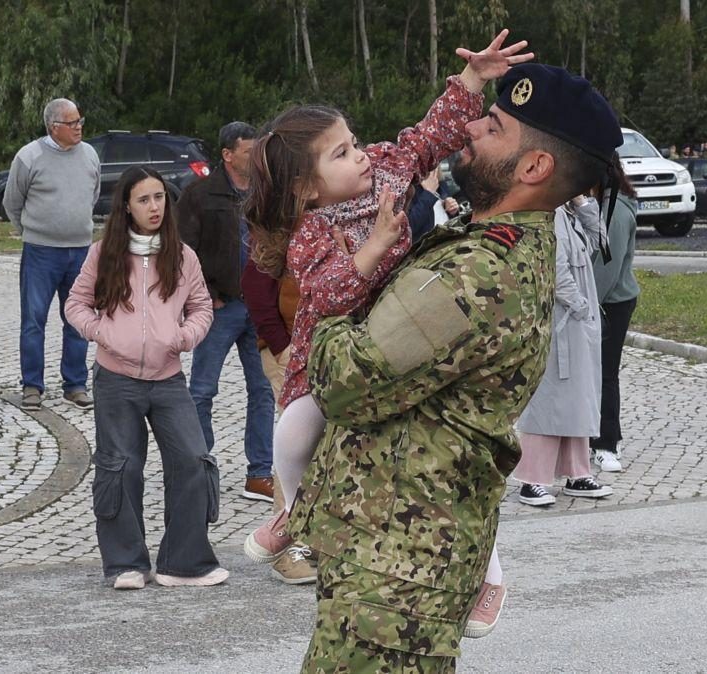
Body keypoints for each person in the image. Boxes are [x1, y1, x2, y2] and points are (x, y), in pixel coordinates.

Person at [286, 60, 623, 670]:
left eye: (491, 127)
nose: (470, 130)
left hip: (398, 570)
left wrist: (331, 299)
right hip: (393, 551)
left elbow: (342, 384)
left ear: (534, 167)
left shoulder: (477, 273)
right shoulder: (485, 242)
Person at [239, 29, 519, 589]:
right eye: (341, 154)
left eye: (355, 141)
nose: (361, 155)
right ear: (306, 191)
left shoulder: (387, 171)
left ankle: (490, 576)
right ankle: (298, 515)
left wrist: (472, 78)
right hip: (332, 363)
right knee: (292, 437)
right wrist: (370, 250)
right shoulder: (310, 230)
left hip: (399, 345)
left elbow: (428, 137)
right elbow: (325, 297)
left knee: (444, 454)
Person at [65, 166, 229, 588]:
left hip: (168, 377)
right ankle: (126, 564)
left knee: (194, 460)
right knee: (121, 467)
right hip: (115, 378)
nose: (154, 207)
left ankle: (184, 563)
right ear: (127, 206)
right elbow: (76, 304)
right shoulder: (104, 253)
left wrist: (184, 336)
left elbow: (202, 308)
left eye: (159, 197)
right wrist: (103, 333)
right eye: (144, 199)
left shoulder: (183, 255)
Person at [178, 121, 276, 503]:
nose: (255, 160)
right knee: (202, 390)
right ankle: (199, 468)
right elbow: (183, 250)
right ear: (228, 155)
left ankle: (260, 473)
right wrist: (204, 294)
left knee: (263, 390)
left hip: (259, 308)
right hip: (220, 309)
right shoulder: (200, 195)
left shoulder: (266, 193)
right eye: (249, 153)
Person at [514, 194, 613, 506]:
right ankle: (531, 479)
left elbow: (601, 243)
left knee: (579, 397)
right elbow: (555, 269)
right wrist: (580, 307)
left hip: (577, 323)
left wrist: (585, 206)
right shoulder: (551, 216)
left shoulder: (571, 213)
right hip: (560, 320)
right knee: (549, 399)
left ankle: (577, 472)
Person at [4, 98, 100, 410]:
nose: (79, 127)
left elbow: (93, 195)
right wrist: (31, 232)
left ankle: (75, 384)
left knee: (77, 320)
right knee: (34, 320)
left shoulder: (89, 155)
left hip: (81, 251)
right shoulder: (29, 157)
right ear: (53, 127)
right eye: (72, 123)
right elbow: (12, 202)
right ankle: (32, 386)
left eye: (80, 120)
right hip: (41, 253)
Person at [240, 258, 316, 584]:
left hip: (324, 348)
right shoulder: (284, 221)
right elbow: (255, 286)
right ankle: (288, 549)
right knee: (296, 443)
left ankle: (315, 542)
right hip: (288, 350)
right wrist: (281, 346)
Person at [590, 154, 640, 473]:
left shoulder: (616, 211)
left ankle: (608, 442)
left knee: (605, 373)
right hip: (602, 299)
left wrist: (587, 304)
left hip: (611, 301)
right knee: (593, 374)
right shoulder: (603, 205)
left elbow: (607, 266)